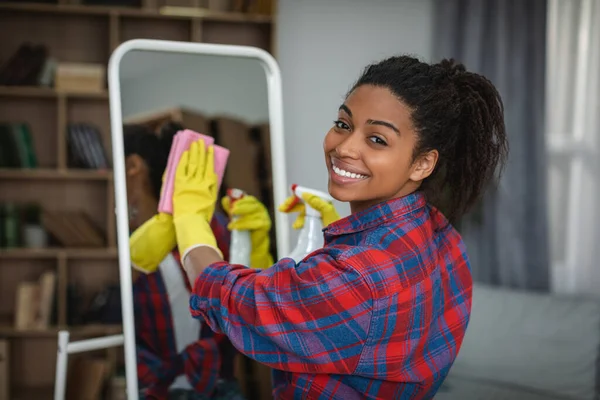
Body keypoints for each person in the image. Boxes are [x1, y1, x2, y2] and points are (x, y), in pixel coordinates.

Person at [150, 55, 509, 399]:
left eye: (377, 139)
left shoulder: (358, 276)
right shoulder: (440, 234)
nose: (345, 147)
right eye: (343, 124)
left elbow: (240, 303)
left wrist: (191, 221)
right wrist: (336, 240)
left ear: (422, 163)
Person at [124, 122, 248, 400]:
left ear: (132, 165)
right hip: (154, 390)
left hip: (217, 388)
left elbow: (234, 303)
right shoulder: (124, 236)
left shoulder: (209, 226)